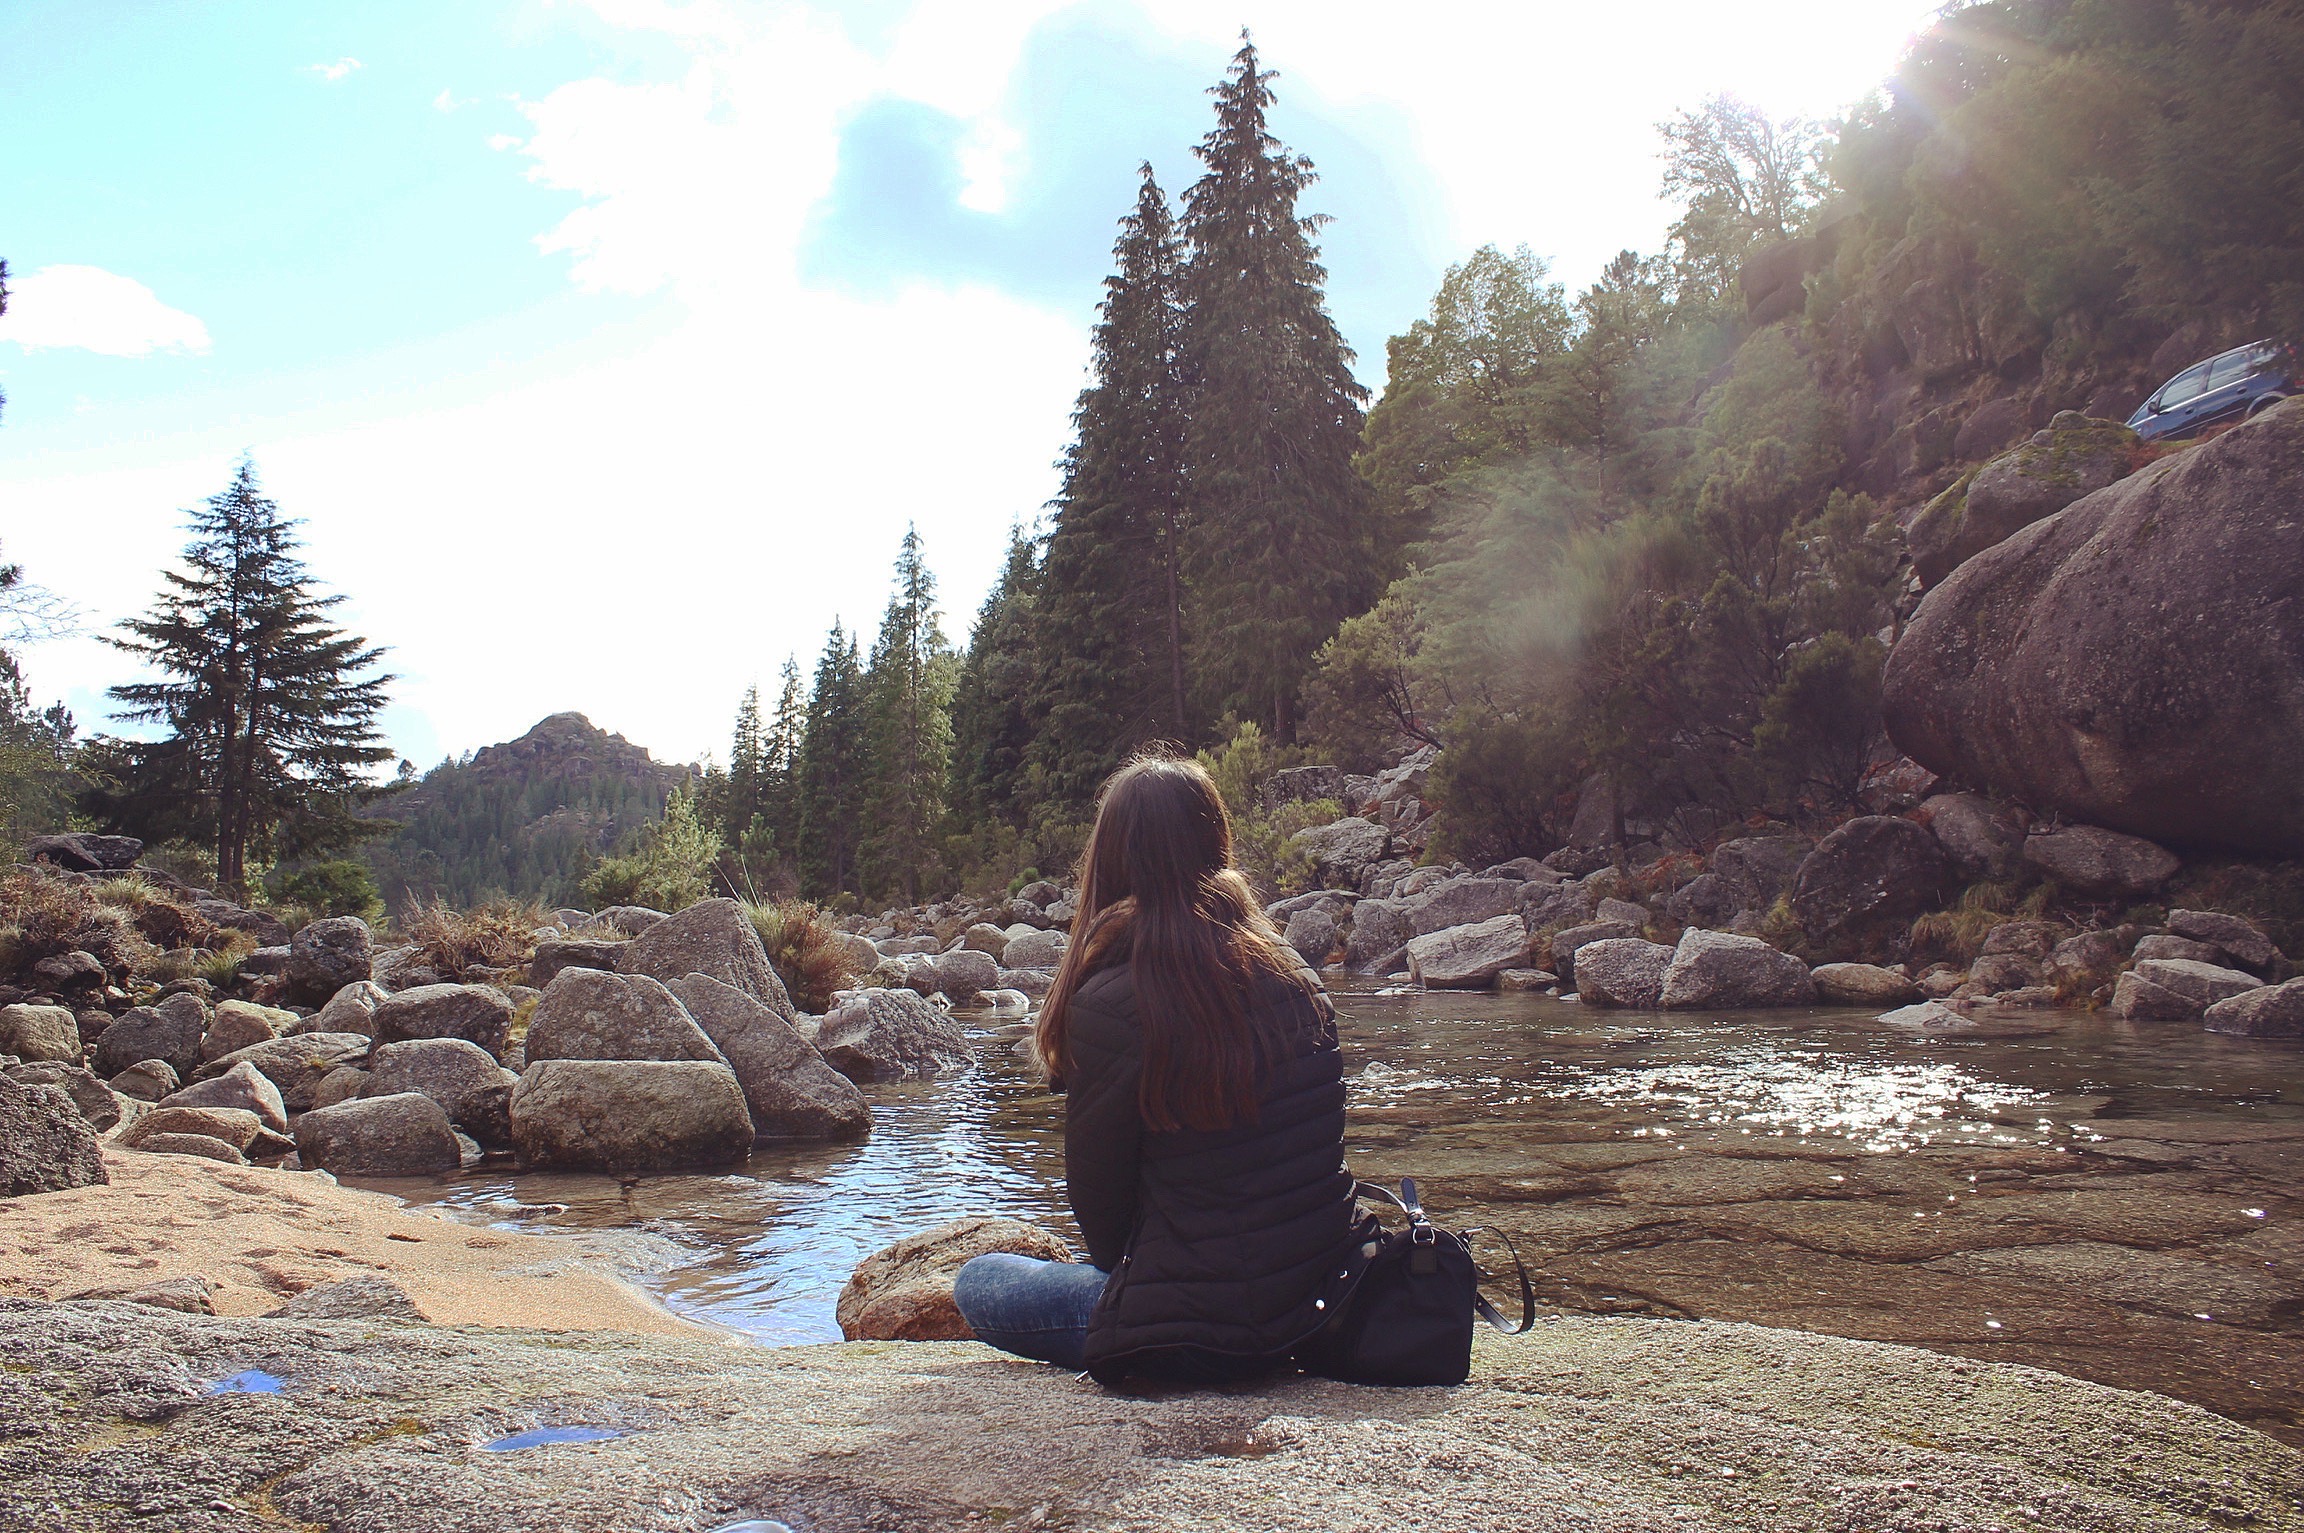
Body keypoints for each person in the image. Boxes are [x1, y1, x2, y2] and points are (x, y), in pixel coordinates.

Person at [952, 753, 1356, 1384]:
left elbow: (1104, 1229)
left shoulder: (1112, 1000)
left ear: (1110, 862)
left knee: (979, 1280)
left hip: (1189, 1336)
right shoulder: (1296, 975)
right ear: (1214, 845)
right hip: (1318, 1306)